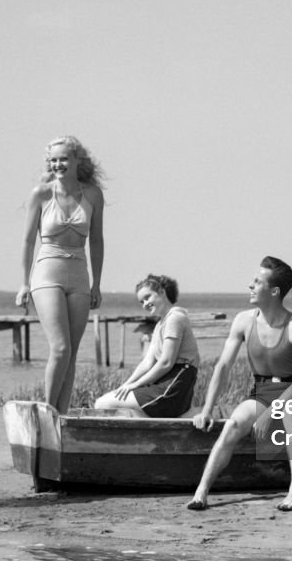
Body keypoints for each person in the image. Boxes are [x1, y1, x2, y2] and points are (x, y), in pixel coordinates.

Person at [188, 257, 292, 512]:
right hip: (261, 391)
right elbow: (223, 366)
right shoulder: (243, 320)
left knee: (291, 417)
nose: (250, 286)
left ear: (274, 291)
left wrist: (270, 414)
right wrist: (208, 409)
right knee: (232, 425)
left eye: (257, 282)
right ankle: (201, 491)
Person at [16, 136, 105, 414]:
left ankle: (61, 415)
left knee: (72, 354)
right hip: (46, 274)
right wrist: (23, 283)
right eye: (53, 160)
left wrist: (97, 284)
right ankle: (46, 411)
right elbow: (28, 241)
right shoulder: (41, 194)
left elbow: (97, 241)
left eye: (64, 158)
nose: (58, 164)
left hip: (79, 275)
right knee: (60, 348)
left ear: (78, 160)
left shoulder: (92, 194)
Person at [95, 274, 199, 417]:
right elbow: (147, 362)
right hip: (166, 384)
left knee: (102, 404)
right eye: (141, 301)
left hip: (173, 387)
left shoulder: (175, 318)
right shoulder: (160, 325)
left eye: (147, 297)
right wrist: (126, 385)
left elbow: (166, 362)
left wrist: (136, 385)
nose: (144, 304)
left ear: (162, 292)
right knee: (120, 406)